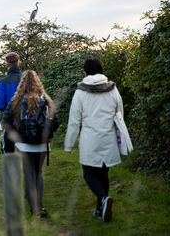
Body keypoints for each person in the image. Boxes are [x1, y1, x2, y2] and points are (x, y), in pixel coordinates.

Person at [64, 58, 123, 222]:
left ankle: (103, 200)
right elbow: (120, 115)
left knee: (89, 173)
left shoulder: (81, 92)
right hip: (109, 137)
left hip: (90, 138)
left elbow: (74, 121)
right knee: (103, 173)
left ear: (85, 72)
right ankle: (99, 209)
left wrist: (69, 145)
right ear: (102, 70)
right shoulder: (113, 90)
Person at [2, 70, 60, 217]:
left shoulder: (16, 100)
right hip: (42, 143)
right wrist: (47, 135)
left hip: (24, 144)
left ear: (22, 83)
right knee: (38, 173)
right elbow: (56, 121)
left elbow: (6, 123)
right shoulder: (46, 99)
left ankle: (33, 208)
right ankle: (40, 206)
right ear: (37, 82)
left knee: (29, 175)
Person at [0, 52, 22, 153]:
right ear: (19, 63)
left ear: (6, 65)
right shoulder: (29, 79)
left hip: (11, 123)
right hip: (28, 121)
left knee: (8, 154)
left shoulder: (2, 82)